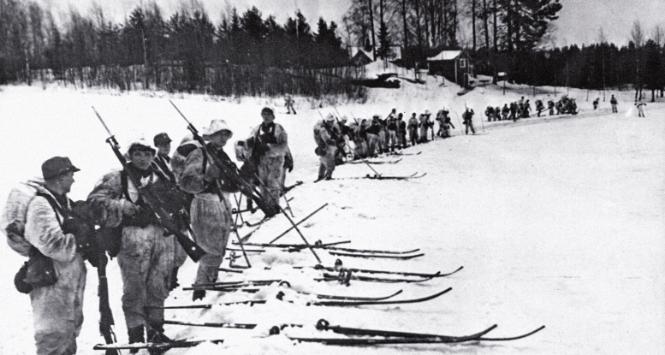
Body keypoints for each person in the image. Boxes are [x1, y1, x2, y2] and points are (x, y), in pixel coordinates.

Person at [87, 139, 182, 350]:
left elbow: (176, 199)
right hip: (132, 236)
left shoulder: (161, 175)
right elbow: (94, 201)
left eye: (148, 154)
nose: (143, 158)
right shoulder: (117, 177)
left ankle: (156, 331)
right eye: (138, 153)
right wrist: (121, 205)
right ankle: (136, 335)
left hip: (161, 234)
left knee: (159, 285)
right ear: (130, 155)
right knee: (135, 289)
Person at [10, 157, 87, 355]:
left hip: (65, 281)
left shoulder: (61, 203)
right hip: (52, 283)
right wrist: (78, 236)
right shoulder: (40, 206)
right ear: (60, 177)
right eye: (70, 175)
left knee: (68, 337)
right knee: (52, 340)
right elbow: (54, 246)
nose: (73, 180)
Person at [178, 120, 236, 302]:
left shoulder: (222, 155)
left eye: (226, 135)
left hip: (222, 203)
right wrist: (207, 177)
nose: (223, 139)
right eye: (220, 134)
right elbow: (186, 182)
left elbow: (231, 182)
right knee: (209, 249)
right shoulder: (199, 154)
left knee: (219, 247)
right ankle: (201, 289)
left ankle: (211, 282)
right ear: (210, 136)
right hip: (205, 205)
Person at [248, 107, 289, 205]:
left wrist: (269, 148)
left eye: (268, 114)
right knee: (262, 184)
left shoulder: (279, 128)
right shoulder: (257, 129)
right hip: (262, 161)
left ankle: (274, 206)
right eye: (264, 114)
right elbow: (250, 143)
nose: (266, 117)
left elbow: (283, 146)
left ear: (273, 116)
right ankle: (266, 206)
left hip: (275, 161)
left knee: (273, 183)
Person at [313, 114, 340, 181]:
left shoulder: (329, 128)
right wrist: (335, 141)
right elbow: (327, 140)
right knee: (330, 163)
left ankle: (320, 175)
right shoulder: (323, 130)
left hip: (324, 148)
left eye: (332, 121)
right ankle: (328, 176)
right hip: (326, 148)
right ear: (327, 121)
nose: (332, 122)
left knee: (323, 163)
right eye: (330, 121)